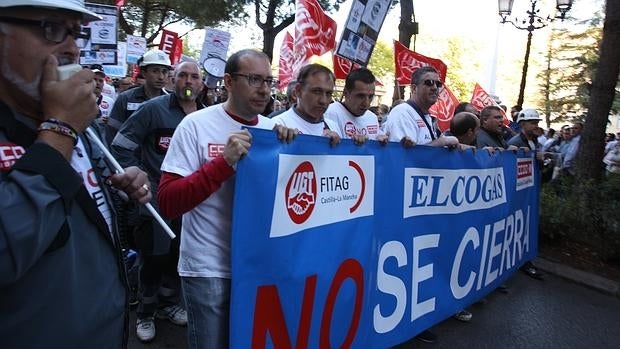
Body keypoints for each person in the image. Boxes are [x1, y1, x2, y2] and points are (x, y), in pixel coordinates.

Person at [0, 1, 152, 347]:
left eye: (75, 32)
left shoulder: (73, 120)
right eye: (50, 28)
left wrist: (122, 189)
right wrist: (59, 130)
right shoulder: (66, 120)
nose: (71, 48)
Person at [157, 49, 296, 349]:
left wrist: (299, 150)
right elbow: (168, 202)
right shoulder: (195, 125)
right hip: (209, 269)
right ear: (229, 82)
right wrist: (222, 164)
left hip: (260, 266)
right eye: (254, 79)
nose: (263, 89)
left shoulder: (274, 131)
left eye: (268, 81)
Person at [111, 61, 205, 342]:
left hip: (190, 202)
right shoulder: (153, 109)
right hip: (154, 202)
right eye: (183, 76)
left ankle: (169, 304)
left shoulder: (206, 116)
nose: (188, 82)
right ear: (173, 80)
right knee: (153, 258)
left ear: (202, 83)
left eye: (194, 77)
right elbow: (120, 146)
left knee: (178, 255)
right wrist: (137, 178)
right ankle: (145, 313)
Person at [508, 108, 546, 279]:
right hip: (519, 194)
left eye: (537, 122)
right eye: (533, 123)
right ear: (523, 124)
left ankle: (524, 258)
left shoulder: (535, 141)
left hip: (528, 192)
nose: (536, 125)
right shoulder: (516, 141)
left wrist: (540, 161)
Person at [106, 49, 171, 145]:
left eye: (164, 72)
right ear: (144, 73)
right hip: (128, 157)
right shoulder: (125, 99)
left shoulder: (172, 101)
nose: (161, 76)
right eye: (155, 71)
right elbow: (112, 133)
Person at [385, 66, 458, 149]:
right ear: (414, 88)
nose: (434, 88)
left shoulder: (428, 117)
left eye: (438, 84)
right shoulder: (402, 113)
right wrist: (442, 142)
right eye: (429, 83)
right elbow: (404, 155)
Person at [272, 64, 341, 143]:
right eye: (317, 91)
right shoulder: (278, 125)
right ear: (298, 91)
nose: (323, 101)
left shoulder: (334, 127)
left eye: (328, 93)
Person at [324, 67, 387, 142]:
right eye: (360, 96)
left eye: (370, 96)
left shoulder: (372, 118)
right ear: (346, 93)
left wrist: (380, 141)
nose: (366, 103)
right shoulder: (329, 113)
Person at [90, 63, 114, 139]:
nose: (98, 83)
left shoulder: (110, 102)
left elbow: (116, 124)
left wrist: (110, 122)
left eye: (101, 81)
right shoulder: (79, 100)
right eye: (95, 79)